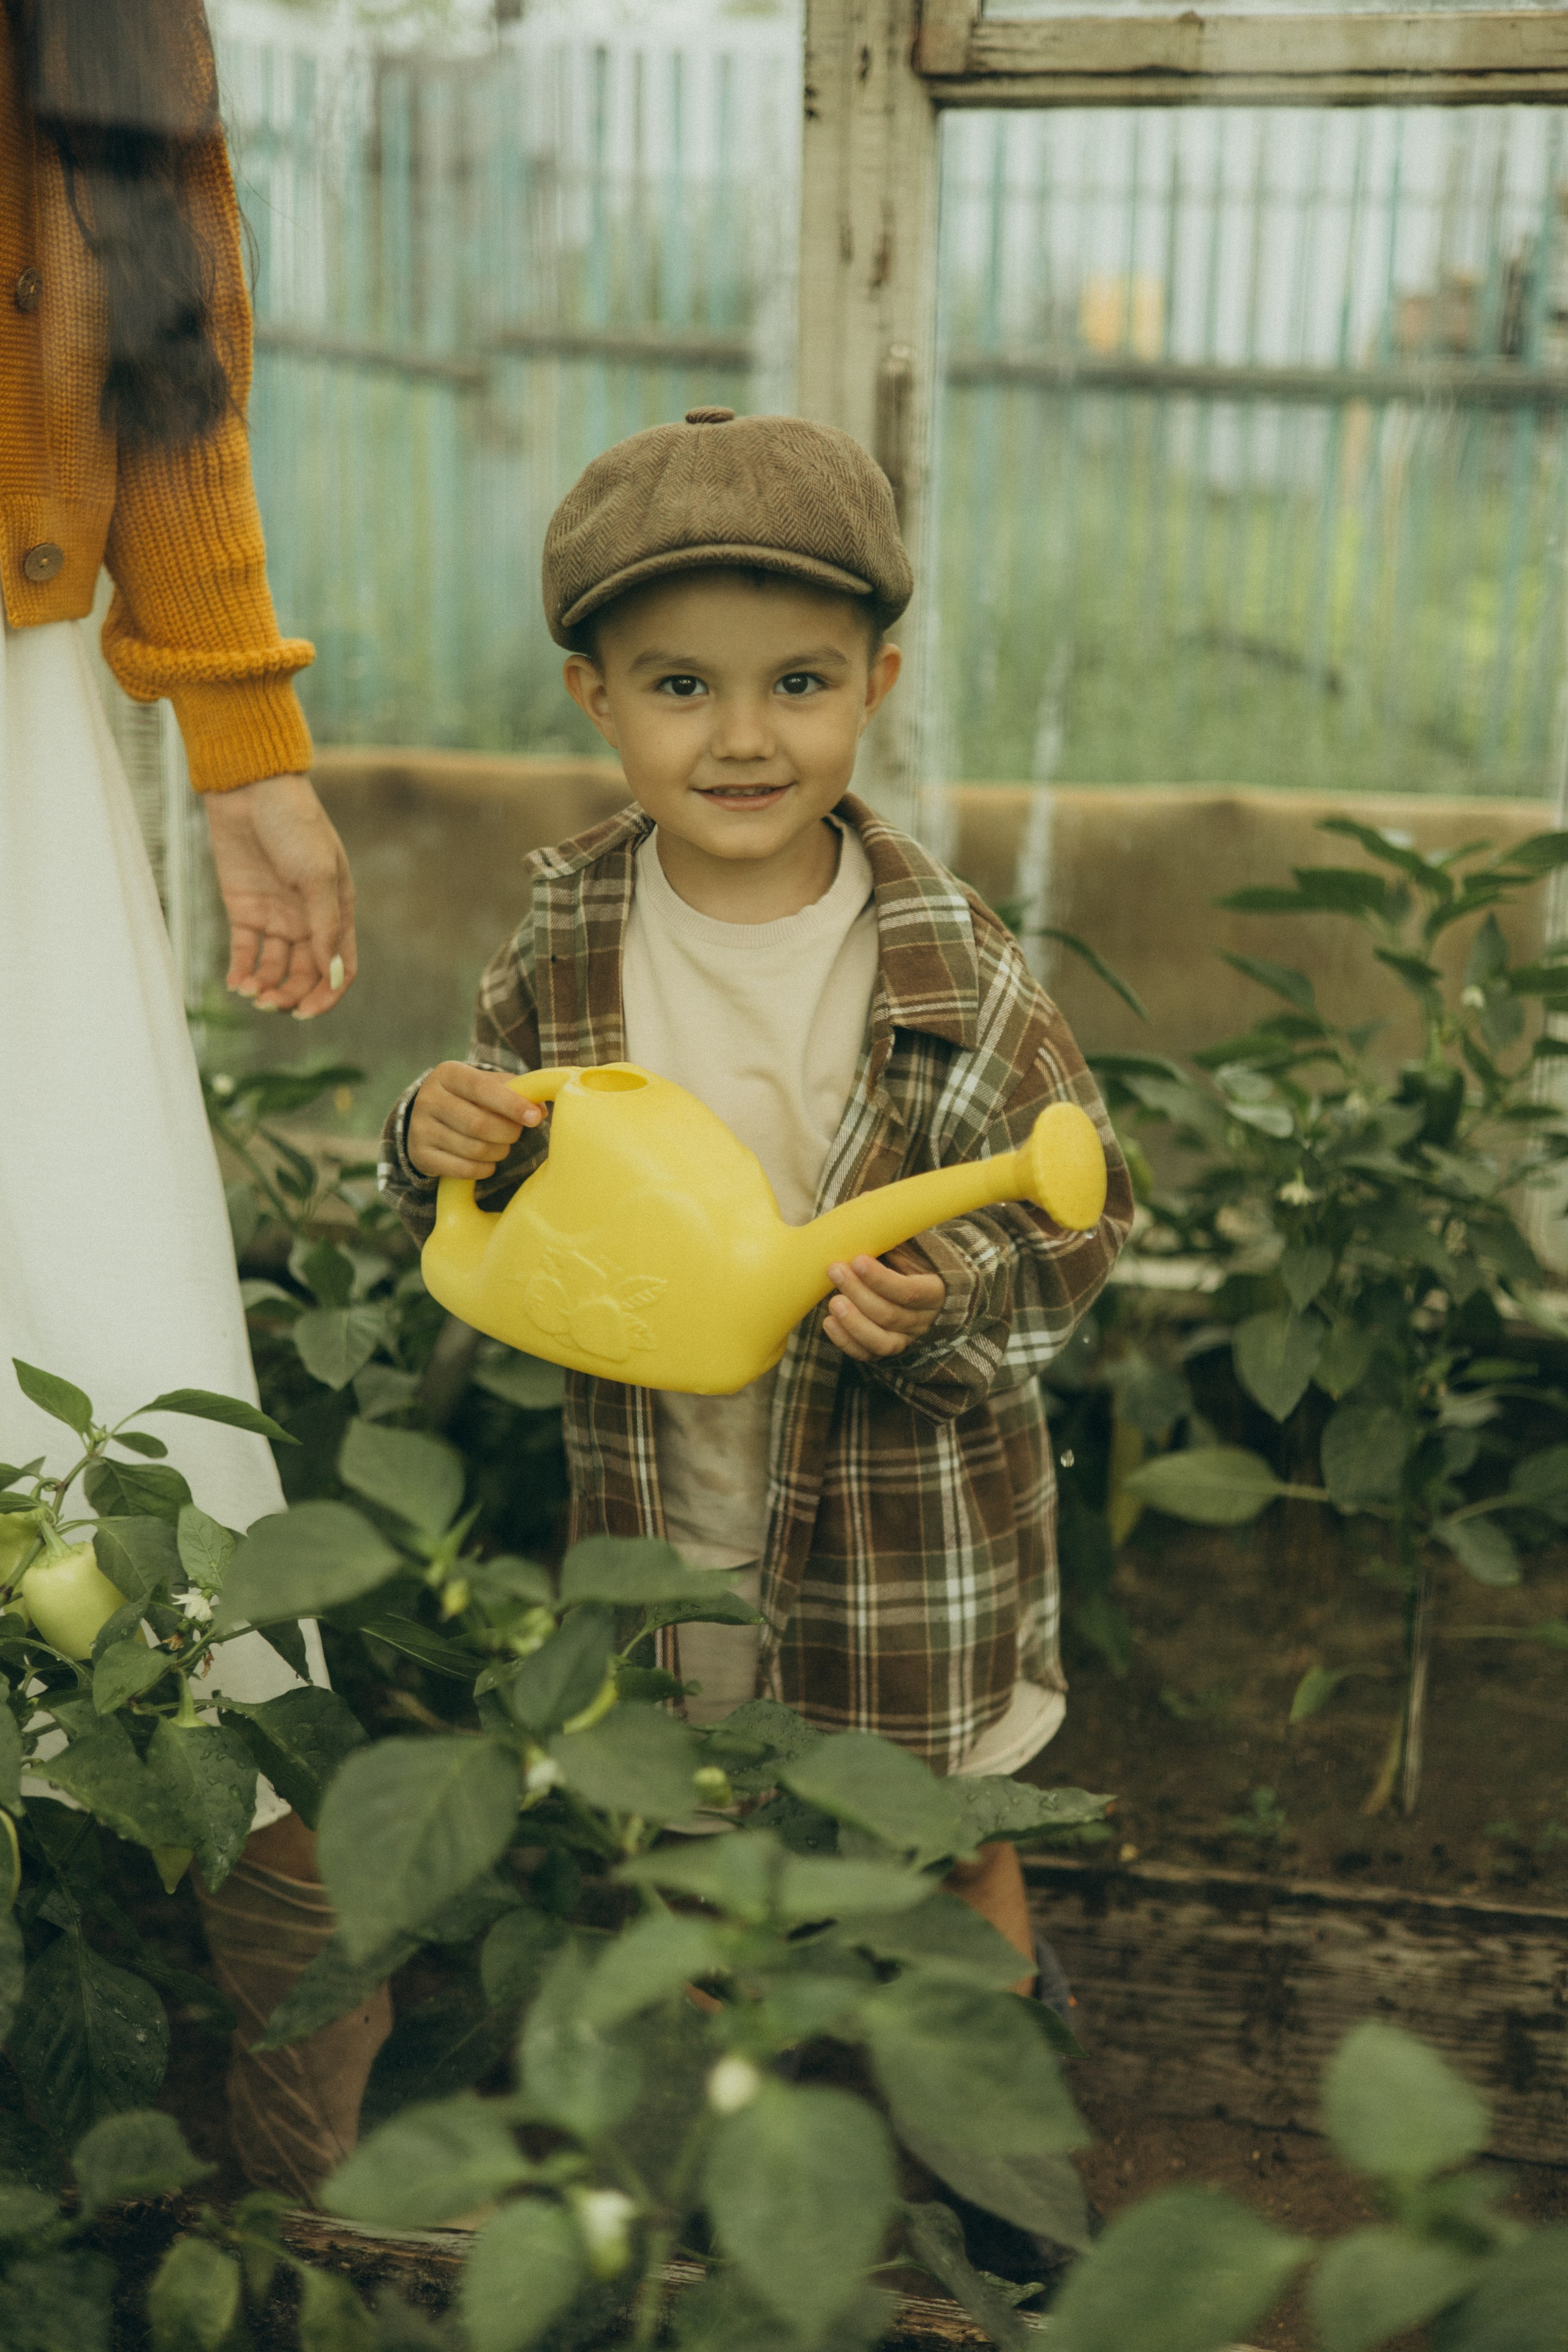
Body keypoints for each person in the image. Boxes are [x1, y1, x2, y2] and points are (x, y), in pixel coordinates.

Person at [381, 406, 1134, 1991]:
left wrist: (948, 1302)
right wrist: (436, 1138)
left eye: (798, 683)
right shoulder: (566, 942)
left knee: (936, 1836)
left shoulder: (949, 959)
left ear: (877, 685)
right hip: (664, 1494)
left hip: (896, 1516)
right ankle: (748, 2131)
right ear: (597, 699)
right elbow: (497, 1192)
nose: (742, 738)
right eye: (680, 687)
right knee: (695, 1818)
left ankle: (994, 2144)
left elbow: (1079, 1211)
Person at [0, 0, 386, 2195]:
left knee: (115, 1366)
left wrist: (243, 739)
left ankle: (291, 2116)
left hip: (18, 703)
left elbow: (166, 306)